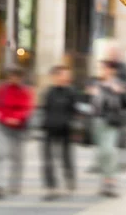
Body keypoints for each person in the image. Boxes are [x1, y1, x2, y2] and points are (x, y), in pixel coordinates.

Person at [0, 66, 34, 199]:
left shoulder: (25, 91)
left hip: (19, 128)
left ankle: (15, 185)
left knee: (17, 157)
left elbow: (27, 108)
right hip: (2, 127)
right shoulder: (1, 90)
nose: (13, 79)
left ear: (21, 78)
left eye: (17, 76)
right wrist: (2, 117)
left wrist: (17, 118)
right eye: (11, 76)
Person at [89, 60, 126, 197]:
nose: (103, 71)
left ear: (112, 71)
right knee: (101, 153)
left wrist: (119, 93)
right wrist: (91, 95)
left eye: (105, 69)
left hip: (111, 122)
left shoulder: (118, 85)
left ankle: (111, 181)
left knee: (109, 151)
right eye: (102, 69)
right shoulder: (97, 84)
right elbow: (92, 104)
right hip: (98, 121)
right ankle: (105, 181)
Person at [41, 65, 77, 200]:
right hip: (49, 130)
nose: (66, 77)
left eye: (67, 74)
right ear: (55, 76)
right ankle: (51, 187)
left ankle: (69, 179)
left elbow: (76, 110)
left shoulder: (71, 92)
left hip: (66, 130)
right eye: (63, 74)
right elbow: (44, 110)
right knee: (48, 160)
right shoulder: (49, 92)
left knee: (66, 158)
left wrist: (72, 124)